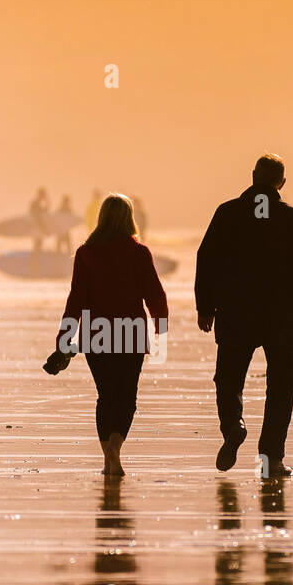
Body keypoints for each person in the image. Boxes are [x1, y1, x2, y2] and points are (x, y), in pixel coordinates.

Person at [195, 154, 293, 478]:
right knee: (281, 388)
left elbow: (206, 259)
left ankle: (233, 427)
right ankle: (271, 460)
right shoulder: (292, 218)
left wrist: (204, 306)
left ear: (253, 176)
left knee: (228, 380)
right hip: (279, 317)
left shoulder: (227, 213)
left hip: (235, 313)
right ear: (281, 183)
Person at [43, 194, 168, 477]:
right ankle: (115, 445)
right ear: (129, 218)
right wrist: (161, 324)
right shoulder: (139, 253)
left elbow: (76, 299)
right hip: (131, 333)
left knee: (105, 396)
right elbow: (155, 293)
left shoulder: (86, 253)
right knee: (127, 397)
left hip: (96, 334)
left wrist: (64, 338)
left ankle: (107, 458)